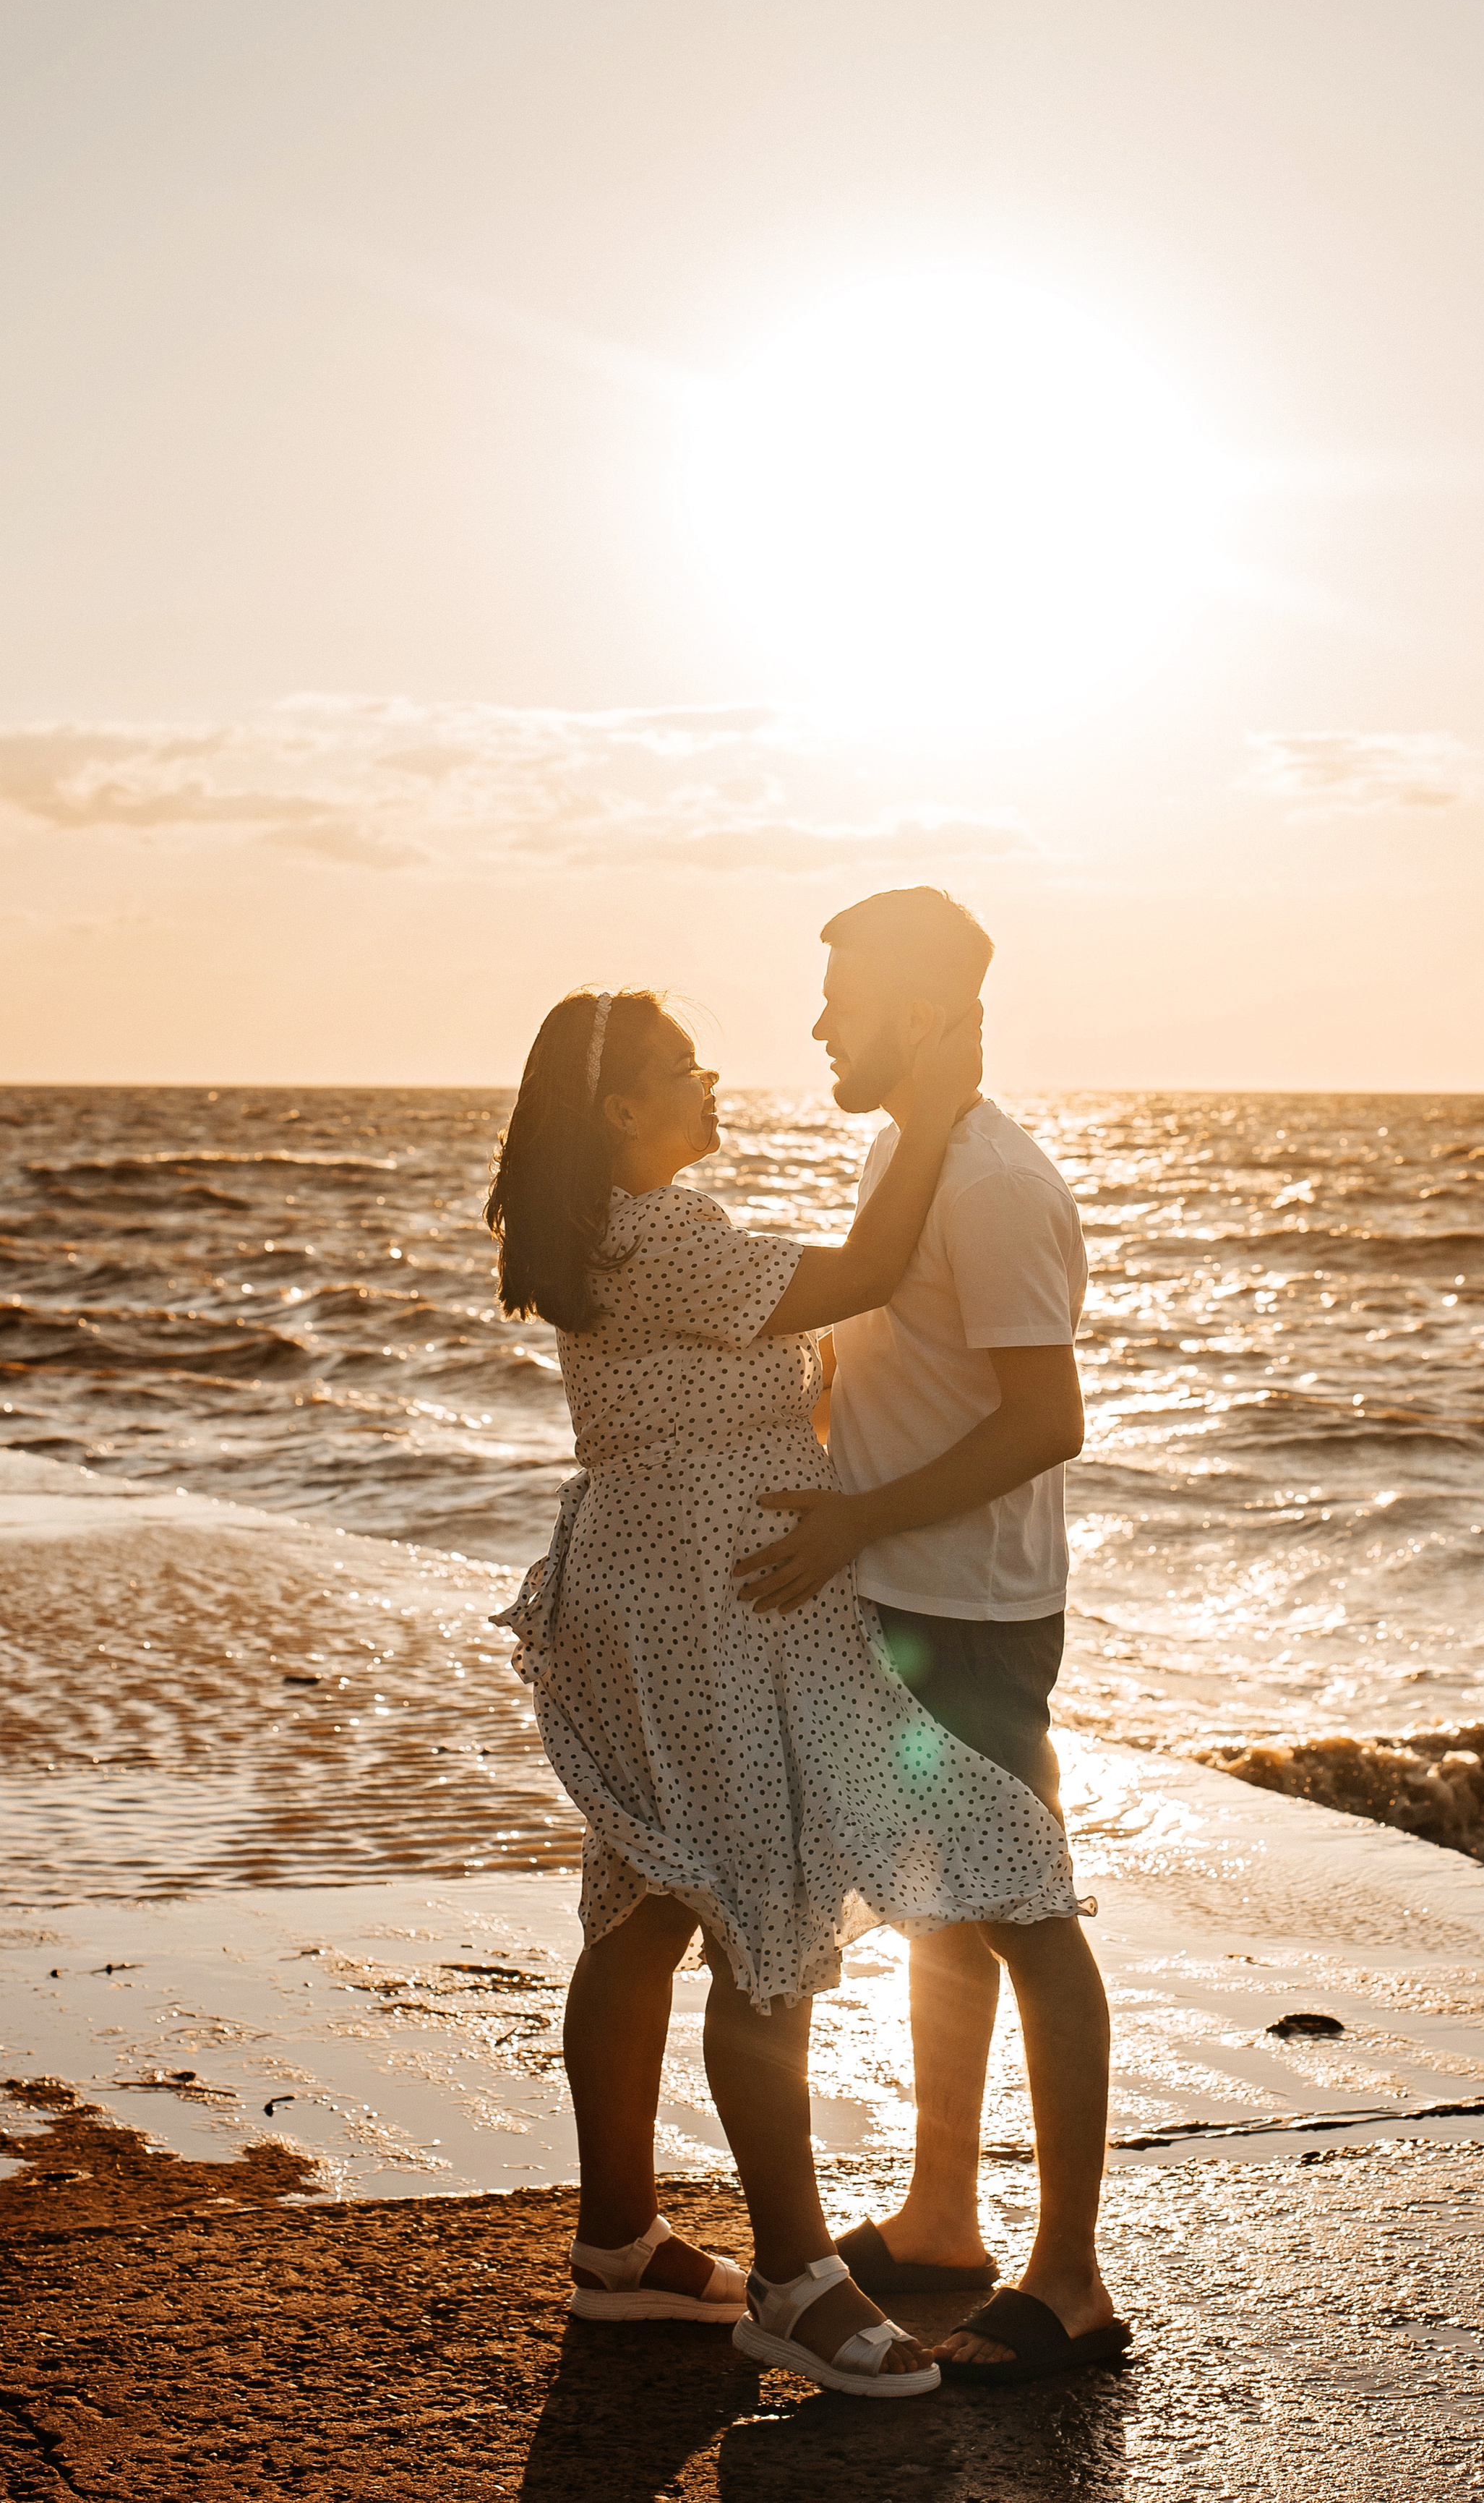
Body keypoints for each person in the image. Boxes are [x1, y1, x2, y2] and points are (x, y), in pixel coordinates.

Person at [484, 984, 1084, 2401]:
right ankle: (794, 2280)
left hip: (654, 1594)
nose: (716, 1083)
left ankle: (620, 2247)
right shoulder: (666, 1245)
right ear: (621, 1110)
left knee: (641, 1909)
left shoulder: (619, 1240)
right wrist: (934, 1111)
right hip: (703, 1611)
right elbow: (874, 1268)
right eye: (685, 1070)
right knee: (762, 1909)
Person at [732, 889, 1128, 2384]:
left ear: (921, 1007)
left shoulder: (993, 1183)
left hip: (971, 1610)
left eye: (841, 995)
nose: (819, 1022)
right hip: (896, 1595)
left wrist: (856, 1516)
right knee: (936, 1903)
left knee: (1026, 1909)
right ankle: (944, 2217)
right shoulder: (904, 1149)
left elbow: (1046, 1418)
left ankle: (1072, 2280)